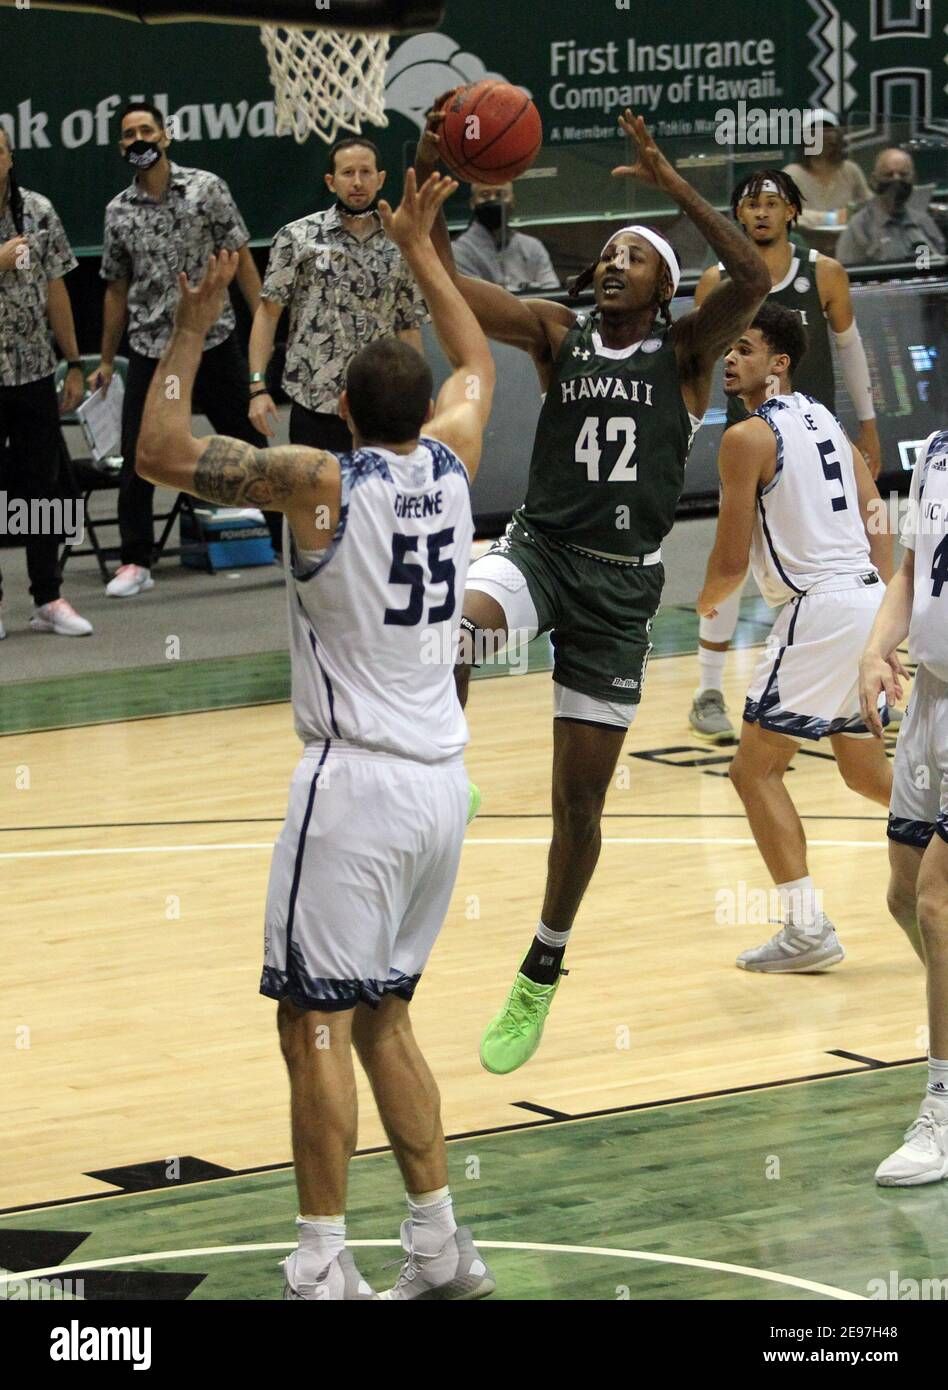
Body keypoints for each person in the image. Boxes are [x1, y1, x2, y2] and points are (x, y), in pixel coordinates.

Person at [134, 169, 498, 1299]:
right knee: (385, 1014)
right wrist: (422, 248)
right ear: (422, 402)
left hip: (355, 791)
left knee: (316, 1025)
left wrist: (193, 333)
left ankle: (320, 1265)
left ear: (341, 412)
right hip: (443, 784)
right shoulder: (454, 459)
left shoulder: (316, 483)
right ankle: (440, 1248)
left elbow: (159, 451)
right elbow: (480, 361)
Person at [415, 103, 770, 1073]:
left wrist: (673, 187)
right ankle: (449, 775)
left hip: (618, 594)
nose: (615, 261)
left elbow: (755, 277)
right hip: (539, 553)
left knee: (581, 805)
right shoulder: (554, 331)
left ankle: (540, 968)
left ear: (661, 287)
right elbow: (446, 274)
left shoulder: (689, 355)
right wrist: (429, 166)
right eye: (607, 251)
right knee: (454, 634)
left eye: (636, 255)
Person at [697, 302, 892, 971]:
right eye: (728, 349)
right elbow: (877, 518)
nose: (730, 358)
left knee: (752, 770)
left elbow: (727, 563)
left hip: (818, 611)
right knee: (868, 775)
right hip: (864, 600)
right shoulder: (829, 424)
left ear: (778, 364)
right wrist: (886, 620)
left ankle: (807, 930)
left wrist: (697, 604)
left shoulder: (746, 437)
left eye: (744, 349)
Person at [687, 170, 882, 744]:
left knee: (801, 559)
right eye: (751, 205)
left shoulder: (824, 272)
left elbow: (850, 352)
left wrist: (867, 428)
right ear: (737, 217)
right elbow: (699, 364)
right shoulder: (716, 281)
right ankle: (707, 687)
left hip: (814, 435)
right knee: (740, 553)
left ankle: (841, 660)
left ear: (793, 212)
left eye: (773, 203)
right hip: (752, 435)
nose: (762, 213)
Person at [89, 101, 274, 597]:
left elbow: (243, 259)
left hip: (214, 341)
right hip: (152, 347)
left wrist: (263, 325)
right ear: (121, 147)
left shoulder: (206, 189)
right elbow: (115, 287)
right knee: (140, 453)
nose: (138, 140)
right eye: (129, 135)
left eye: (146, 130)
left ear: (165, 137)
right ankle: (135, 561)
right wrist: (107, 359)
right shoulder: (117, 212)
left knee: (248, 443)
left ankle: (291, 541)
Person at [859, 427, 948, 1184]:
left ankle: (943, 1114)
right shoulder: (938, 454)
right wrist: (875, 649)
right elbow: (911, 577)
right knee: (900, 893)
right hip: (930, 701)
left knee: (937, 904)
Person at [248, 137, 430, 459]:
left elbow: (408, 326)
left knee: (381, 503)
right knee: (318, 506)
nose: (357, 182)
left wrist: (417, 396)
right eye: (347, 173)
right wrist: (258, 387)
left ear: (381, 179)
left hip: (382, 404)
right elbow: (268, 314)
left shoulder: (401, 242)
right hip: (315, 402)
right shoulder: (296, 237)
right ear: (331, 181)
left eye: (365, 172)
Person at [0, 126, 92, 637]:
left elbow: (56, 288)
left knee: (42, 485)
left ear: (10, 156)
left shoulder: (38, 210)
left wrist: (73, 361)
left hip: (34, 368)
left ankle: (48, 595)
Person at [838, 148, 946, 266]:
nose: (896, 180)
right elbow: (847, 277)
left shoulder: (923, 222)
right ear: (874, 180)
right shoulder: (859, 227)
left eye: (903, 174)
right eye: (888, 174)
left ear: (913, 179)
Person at [452, 182, 560, 292]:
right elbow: (478, 299)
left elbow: (552, 291)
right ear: (472, 203)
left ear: (512, 201)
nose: (493, 199)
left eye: (500, 194)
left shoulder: (532, 246)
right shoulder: (457, 251)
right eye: (485, 195)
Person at [783, 110, 870, 232]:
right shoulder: (792, 174)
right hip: (808, 244)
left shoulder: (850, 170)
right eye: (814, 131)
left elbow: (870, 207)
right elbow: (783, 214)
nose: (822, 136)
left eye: (828, 130)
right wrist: (830, 218)